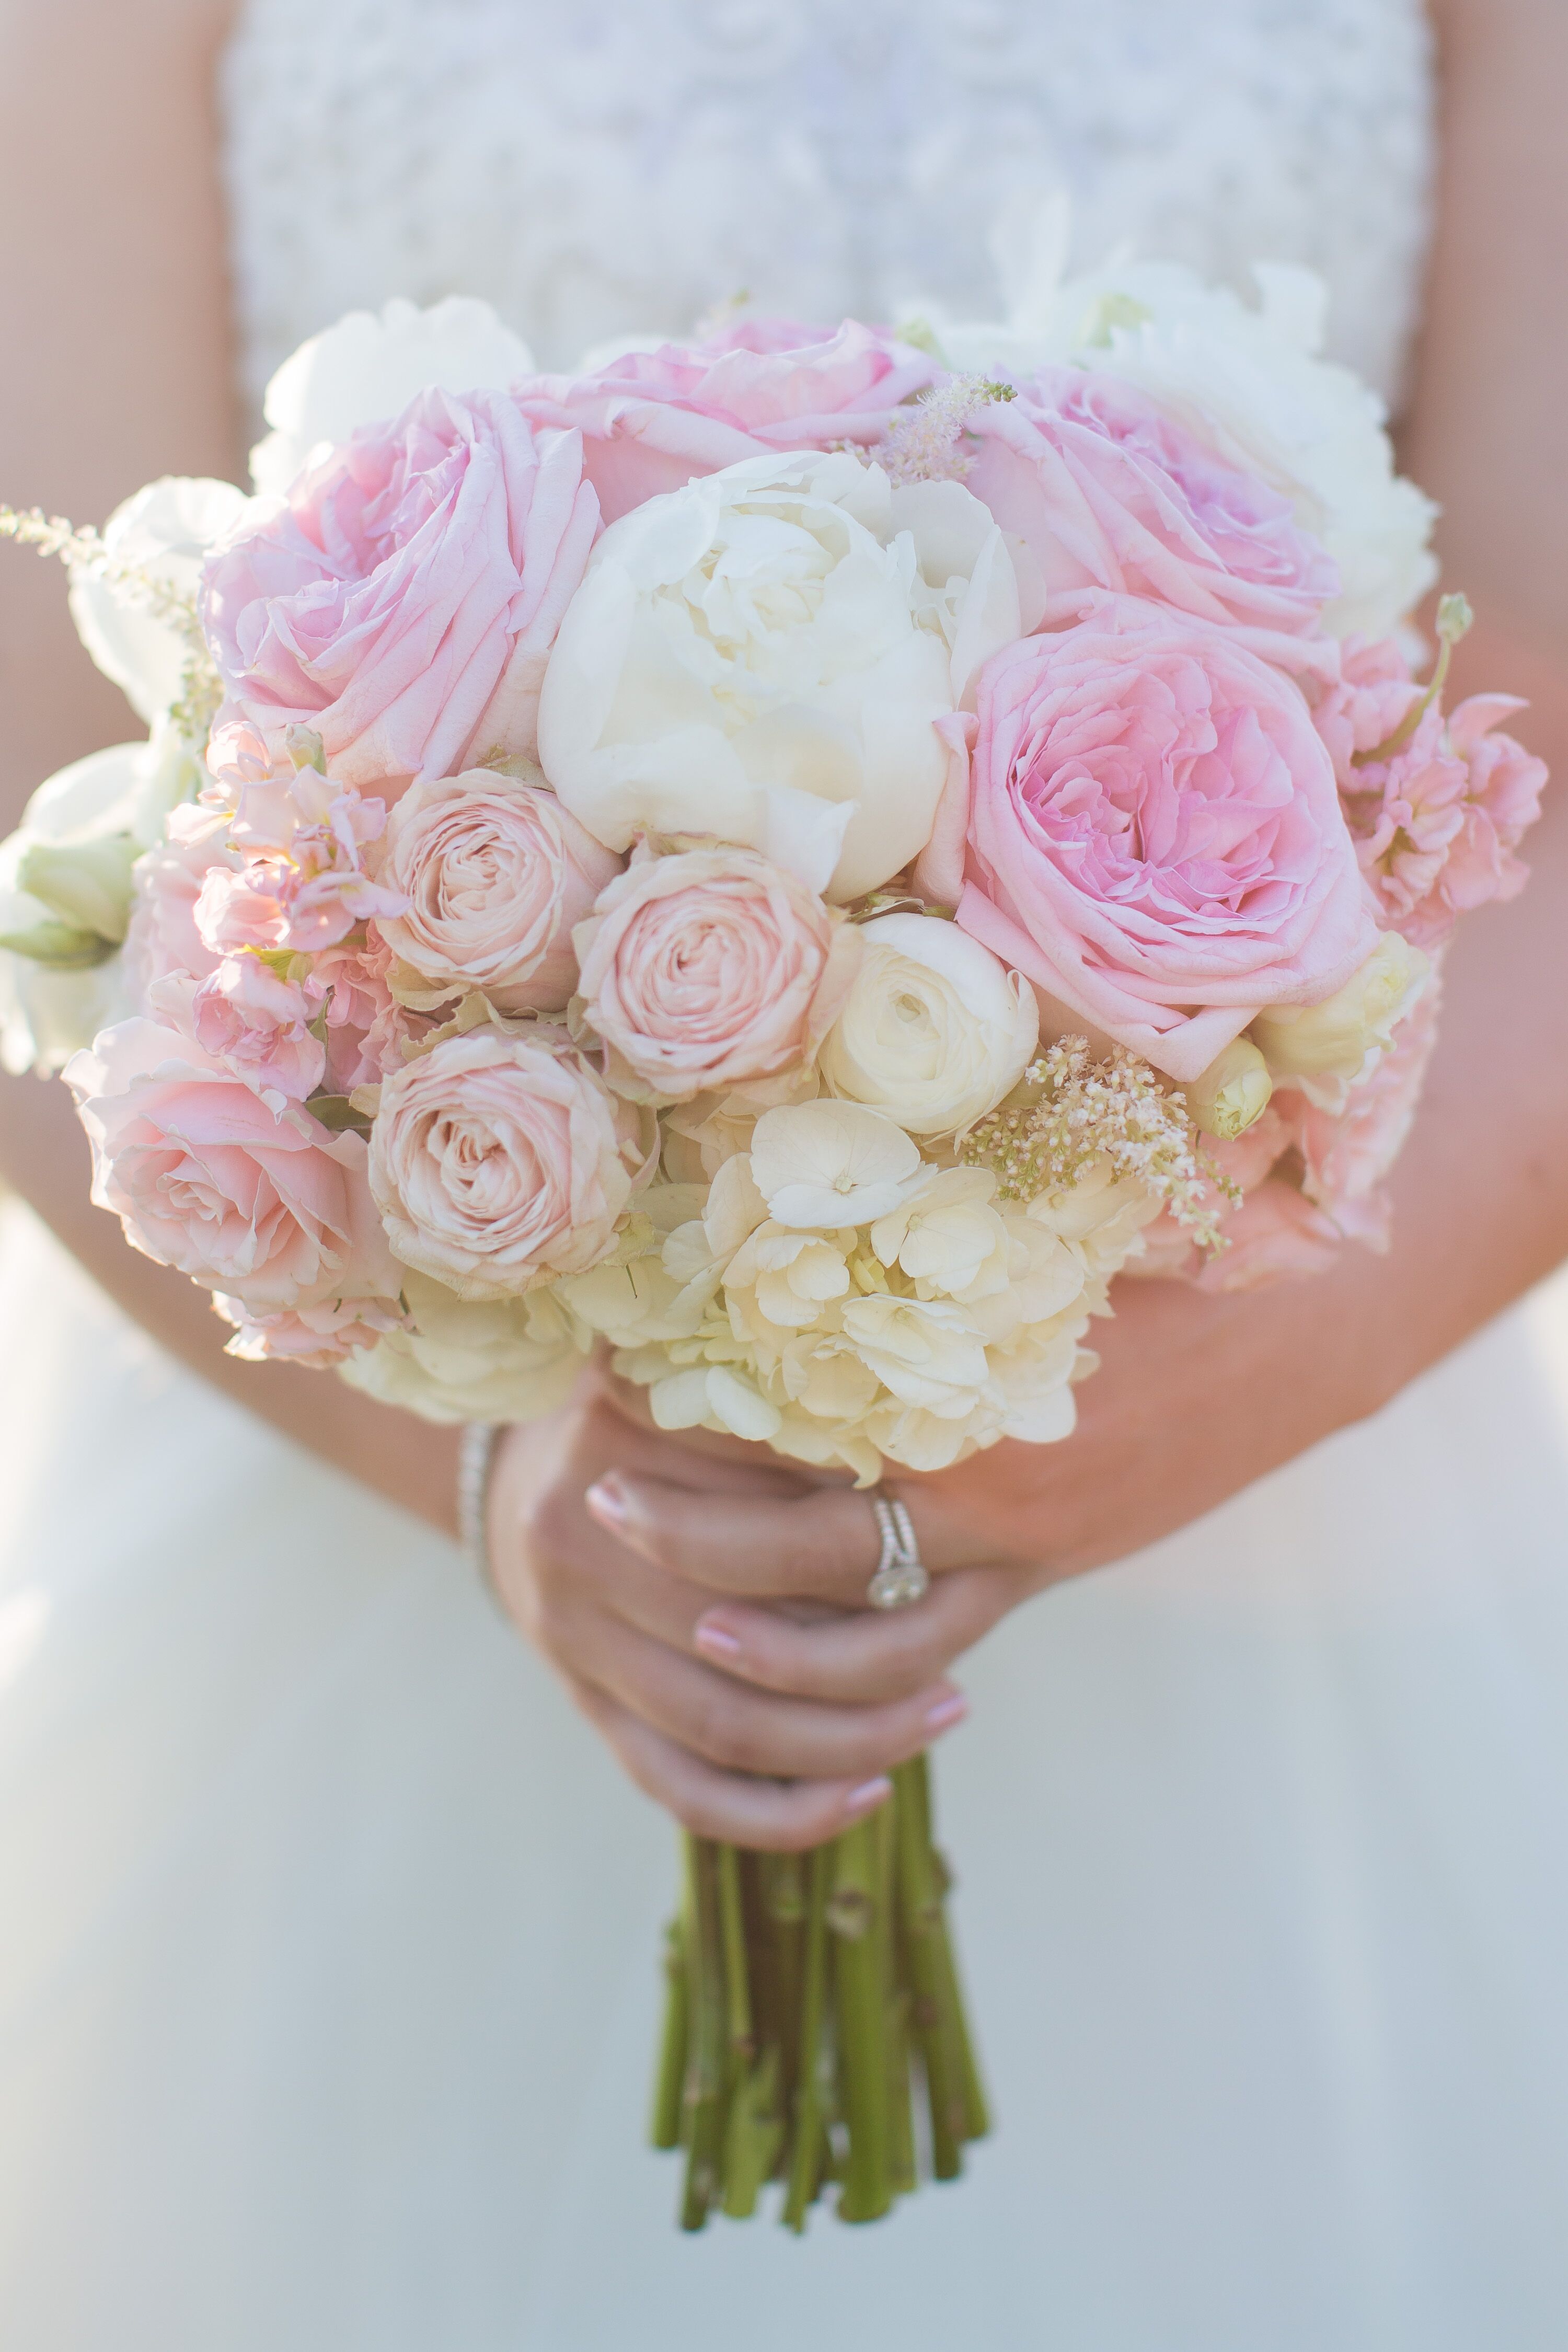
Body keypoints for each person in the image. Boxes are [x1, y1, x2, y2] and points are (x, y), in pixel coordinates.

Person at [3, 1, 1568, 2344]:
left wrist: (1233, 1372)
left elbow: (1538, 706)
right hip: (379, 1519)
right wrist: (500, 1466)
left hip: (1287, 1479)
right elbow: (44, 786)